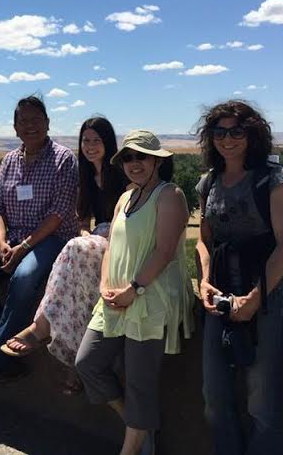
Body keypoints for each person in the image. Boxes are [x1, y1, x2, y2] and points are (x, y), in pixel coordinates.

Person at [75, 130, 194, 455]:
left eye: (142, 156)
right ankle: (137, 423)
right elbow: (111, 247)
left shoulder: (170, 195)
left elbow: (164, 251)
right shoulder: (125, 198)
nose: (134, 163)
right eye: (128, 157)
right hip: (115, 297)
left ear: (157, 161)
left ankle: (133, 446)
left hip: (149, 299)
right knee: (88, 362)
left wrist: (135, 288)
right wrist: (104, 284)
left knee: (140, 383)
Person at [195, 100, 283, 455]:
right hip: (223, 294)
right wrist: (204, 281)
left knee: (262, 401)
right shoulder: (209, 182)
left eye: (236, 131)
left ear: (252, 134)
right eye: (219, 132)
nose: (227, 139)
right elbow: (204, 241)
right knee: (214, 395)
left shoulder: (272, 180)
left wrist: (254, 300)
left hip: (271, 295)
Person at [0, 95, 79, 399]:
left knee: (24, 277)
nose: (30, 126)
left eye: (36, 119)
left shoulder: (64, 159)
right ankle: (5, 356)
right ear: (15, 128)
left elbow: (59, 213)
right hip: (13, 237)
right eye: (23, 121)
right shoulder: (11, 160)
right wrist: (2, 243)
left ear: (47, 123)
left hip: (51, 239)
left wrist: (25, 246)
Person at [1, 116, 127, 394]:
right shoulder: (86, 176)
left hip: (121, 241)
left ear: (108, 143)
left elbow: (129, 221)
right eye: (85, 141)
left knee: (73, 250)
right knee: (81, 286)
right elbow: (82, 222)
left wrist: (90, 239)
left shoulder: (121, 175)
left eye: (96, 140)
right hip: (95, 242)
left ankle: (42, 326)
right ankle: (75, 361)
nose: (90, 146)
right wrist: (85, 235)